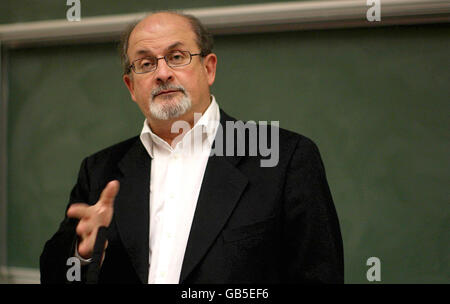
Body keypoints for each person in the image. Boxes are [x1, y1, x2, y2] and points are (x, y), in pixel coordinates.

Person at [40, 11, 344, 284]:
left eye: (177, 56)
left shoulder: (283, 158)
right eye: (145, 64)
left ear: (208, 69)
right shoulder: (100, 171)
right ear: (131, 87)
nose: (162, 73)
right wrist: (82, 255)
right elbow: (55, 274)